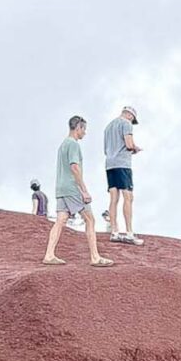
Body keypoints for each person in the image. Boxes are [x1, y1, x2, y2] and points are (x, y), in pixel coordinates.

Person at [42, 115, 112, 268]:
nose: (85, 133)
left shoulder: (62, 145)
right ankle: (95, 257)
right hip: (72, 188)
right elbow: (74, 167)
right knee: (90, 220)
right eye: (84, 129)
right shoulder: (73, 145)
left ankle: (49, 254)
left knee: (60, 220)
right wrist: (84, 190)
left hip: (60, 188)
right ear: (78, 128)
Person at [103, 105, 143, 245]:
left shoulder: (108, 127)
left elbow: (105, 149)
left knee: (114, 198)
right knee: (128, 197)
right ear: (130, 115)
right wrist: (135, 148)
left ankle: (114, 231)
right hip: (122, 164)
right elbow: (129, 143)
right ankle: (129, 232)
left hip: (110, 164)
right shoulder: (126, 124)